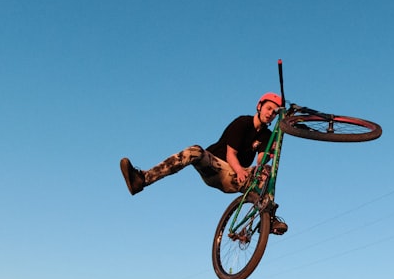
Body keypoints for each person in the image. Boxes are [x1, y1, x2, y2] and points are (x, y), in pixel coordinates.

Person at [120, 92, 288, 234]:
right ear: (259, 107)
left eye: (274, 112)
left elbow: (259, 161)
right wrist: (239, 169)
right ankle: (142, 179)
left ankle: (267, 220)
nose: (270, 113)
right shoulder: (243, 122)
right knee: (195, 151)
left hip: (235, 179)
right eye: (268, 108)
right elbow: (231, 154)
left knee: (266, 170)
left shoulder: (266, 135)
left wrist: (268, 156)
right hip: (216, 168)